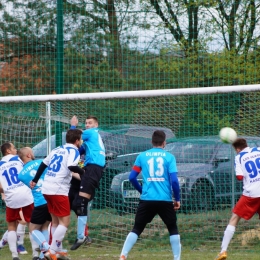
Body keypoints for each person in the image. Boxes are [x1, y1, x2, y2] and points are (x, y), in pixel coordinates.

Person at [118, 130, 181, 260]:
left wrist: (142, 191)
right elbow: (174, 181)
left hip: (147, 199)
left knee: (137, 228)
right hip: (164, 199)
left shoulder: (142, 156)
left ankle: (123, 255)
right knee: (172, 228)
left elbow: (131, 177)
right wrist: (177, 199)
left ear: (152, 142)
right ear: (164, 143)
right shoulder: (169, 157)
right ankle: (176, 258)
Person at [30, 129, 84, 260]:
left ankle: (58, 251)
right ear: (77, 141)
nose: (81, 141)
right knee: (65, 222)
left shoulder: (57, 149)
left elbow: (43, 163)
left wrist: (35, 180)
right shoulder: (74, 151)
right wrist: (84, 172)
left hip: (46, 188)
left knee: (55, 221)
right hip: (58, 190)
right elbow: (71, 166)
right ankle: (52, 251)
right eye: (81, 139)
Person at [215, 138, 260, 260]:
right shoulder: (258, 150)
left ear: (237, 149)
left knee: (234, 218)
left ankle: (223, 251)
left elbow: (239, 177)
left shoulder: (239, 157)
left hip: (251, 194)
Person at [69, 115, 105, 250]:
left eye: (90, 123)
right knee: (78, 203)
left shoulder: (92, 133)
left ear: (96, 125)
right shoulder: (90, 140)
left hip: (92, 168)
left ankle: (82, 236)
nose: (87, 125)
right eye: (85, 123)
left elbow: (73, 137)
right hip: (91, 169)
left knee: (80, 203)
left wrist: (73, 125)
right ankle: (81, 236)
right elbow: (78, 150)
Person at [0, 142, 34, 260]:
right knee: (32, 223)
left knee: (11, 226)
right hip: (25, 194)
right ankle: (35, 253)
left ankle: (14, 255)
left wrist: (7, 188)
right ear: (8, 151)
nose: (16, 150)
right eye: (14, 148)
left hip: (11, 197)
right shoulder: (18, 159)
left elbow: (0, 187)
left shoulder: (0, 165)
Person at [18, 147, 52, 260]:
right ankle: (43, 256)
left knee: (33, 229)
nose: (33, 154)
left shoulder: (21, 175)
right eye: (32, 152)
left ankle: (46, 248)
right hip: (51, 198)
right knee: (45, 227)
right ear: (28, 155)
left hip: (40, 202)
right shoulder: (41, 163)